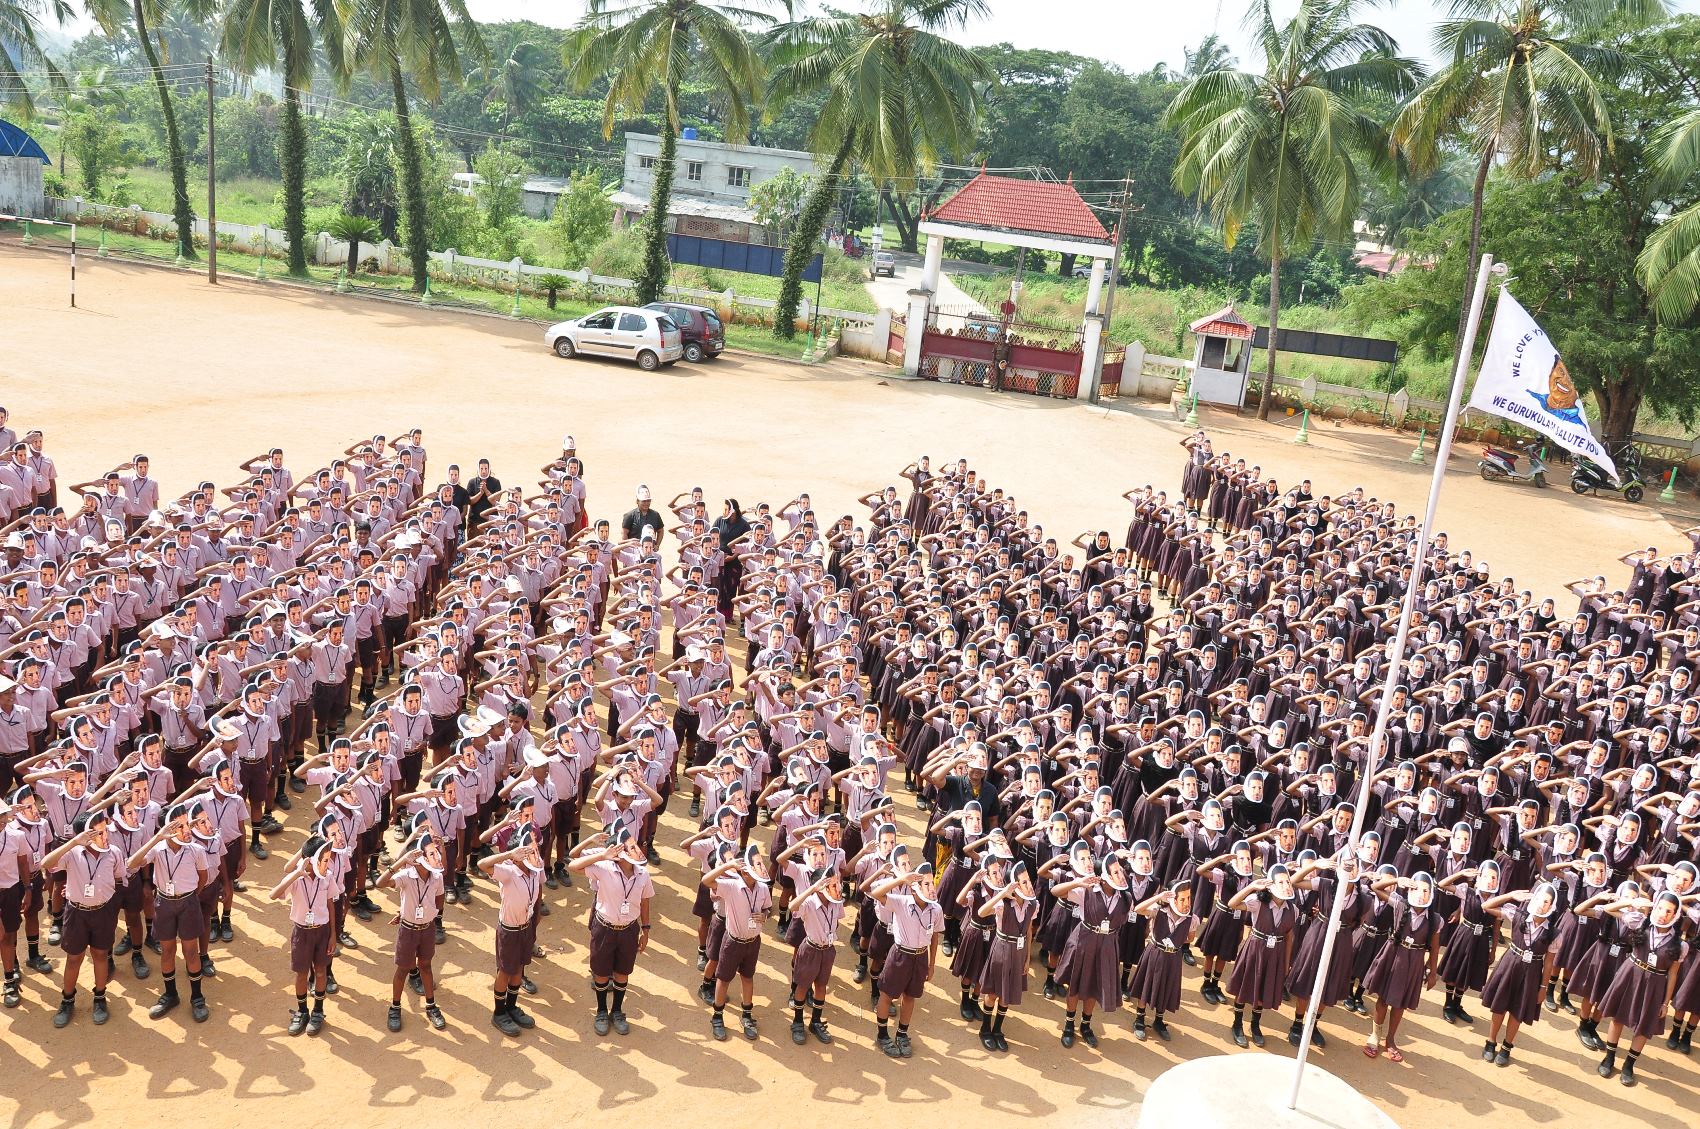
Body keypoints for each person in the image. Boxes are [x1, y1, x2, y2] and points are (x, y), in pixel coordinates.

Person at [127, 802, 211, 1022]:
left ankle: (197, 997)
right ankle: (170, 994)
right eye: (181, 827)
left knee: (191, 952)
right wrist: (157, 838)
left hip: (188, 903)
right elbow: (131, 863)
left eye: (187, 825)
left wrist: (189, 895)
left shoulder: (197, 850)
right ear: (169, 830)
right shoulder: (158, 849)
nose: (187, 831)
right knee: (167, 951)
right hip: (164, 903)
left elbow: (203, 878)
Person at [570, 828, 655, 1037]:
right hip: (604, 928)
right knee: (600, 973)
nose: (638, 850)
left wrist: (645, 929)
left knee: (622, 972)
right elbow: (573, 864)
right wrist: (602, 854)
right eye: (632, 847)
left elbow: (645, 902)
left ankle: (617, 1011)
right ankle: (601, 1011)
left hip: (628, 930)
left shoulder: (643, 875)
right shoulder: (604, 867)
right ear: (619, 852)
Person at [40, 810, 121, 1027]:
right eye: (100, 833)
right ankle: (67, 1000)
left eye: (106, 831)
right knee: (74, 958)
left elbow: (118, 876)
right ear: (86, 836)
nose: (106, 837)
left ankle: (100, 997)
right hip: (76, 913)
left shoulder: (113, 852)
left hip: (103, 911)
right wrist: (74, 842)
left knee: (100, 955)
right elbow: (46, 864)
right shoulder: (73, 853)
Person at [1477, 882, 1562, 1066]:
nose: (1542, 904)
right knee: (1500, 1005)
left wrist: (1543, 987)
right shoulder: (1518, 914)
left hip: (1532, 973)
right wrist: (1511, 894)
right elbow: (1486, 906)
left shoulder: (1554, 933)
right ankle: (1491, 1042)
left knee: (1518, 1009)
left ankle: (1507, 1047)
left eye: (1547, 901)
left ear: (1552, 906)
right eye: (1539, 899)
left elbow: (1548, 963)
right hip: (1510, 964)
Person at [868, 859, 944, 1057]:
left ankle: (902, 1034)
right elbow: (876, 893)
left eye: (932, 883)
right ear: (914, 889)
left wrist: (932, 964)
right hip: (900, 955)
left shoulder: (936, 909)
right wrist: (901, 879)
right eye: (926, 884)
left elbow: (935, 935)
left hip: (920, 958)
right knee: (886, 995)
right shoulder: (901, 903)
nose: (931, 888)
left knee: (910, 996)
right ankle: (882, 1035)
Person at [377, 832, 448, 1032]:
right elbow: (380, 883)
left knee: (426, 966)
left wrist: (428, 915)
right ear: (419, 859)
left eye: (436, 853)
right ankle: (395, 1007)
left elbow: (439, 900)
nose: (437, 858)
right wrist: (400, 862)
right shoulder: (406, 876)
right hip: (408, 930)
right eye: (432, 854)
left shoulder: (437, 877)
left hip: (427, 929)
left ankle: (431, 1005)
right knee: (403, 969)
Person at [703, 843, 772, 1041]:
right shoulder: (732, 886)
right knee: (723, 980)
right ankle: (717, 1017)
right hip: (732, 942)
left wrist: (764, 916)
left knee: (747, 978)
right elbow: (707, 881)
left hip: (753, 941)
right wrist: (727, 866)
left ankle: (747, 1016)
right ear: (744, 870)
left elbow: (767, 908)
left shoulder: (763, 888)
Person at [480, 824, 544, 1037]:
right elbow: (482, 864)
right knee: (506, 971)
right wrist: (509, 853)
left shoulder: (535, 871)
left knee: (519, 969)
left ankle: (512, 1007)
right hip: (509, 929)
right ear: (517, 856)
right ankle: (499, 1013)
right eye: (527, 852)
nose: (533, 854)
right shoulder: (508, 872)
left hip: (525, 928)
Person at [269, 836, 336, 1036]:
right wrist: (297, 873)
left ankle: (318, 1011)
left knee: (321, 971)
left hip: (322, 931)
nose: (328, 863)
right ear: (312, 860)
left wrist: (333, 934)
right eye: (324, 859)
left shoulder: (327, 876)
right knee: (301, 974)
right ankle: (302, 1011)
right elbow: (273, 895)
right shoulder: (296, 878)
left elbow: (330, 904)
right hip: (301, 932)